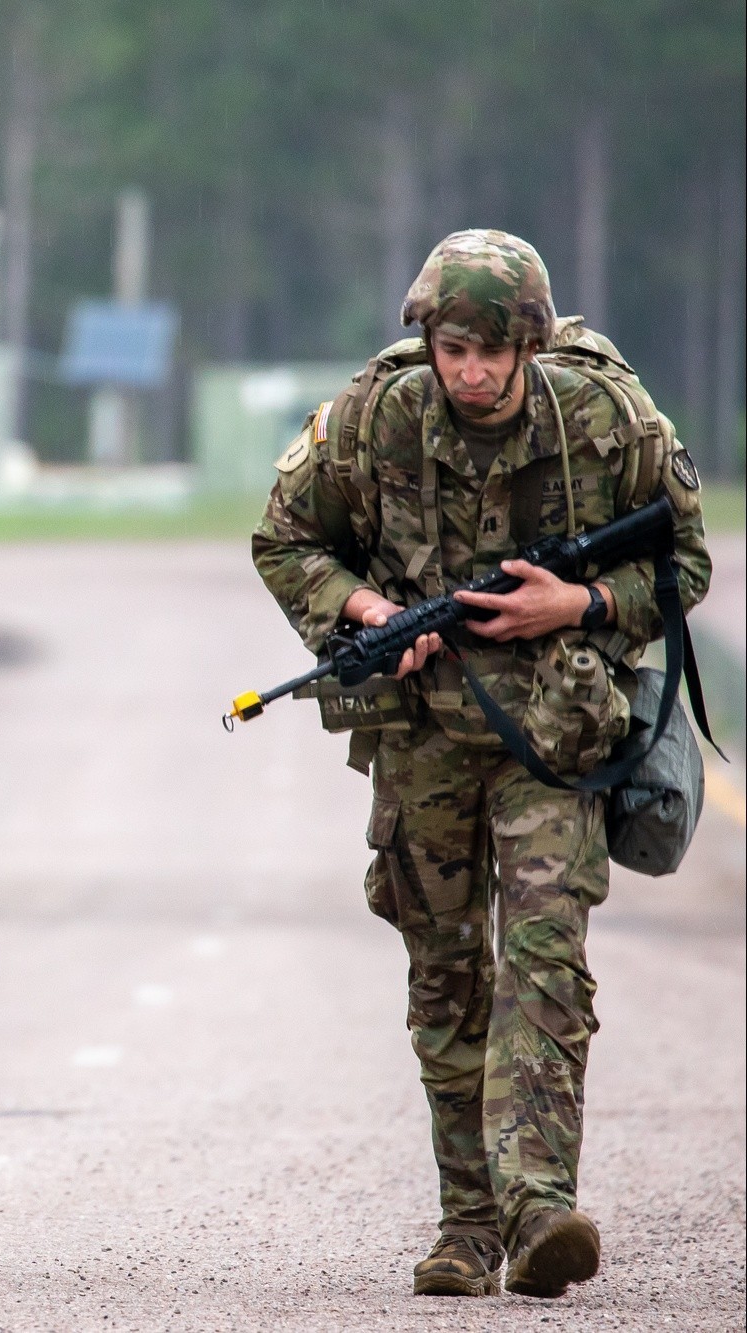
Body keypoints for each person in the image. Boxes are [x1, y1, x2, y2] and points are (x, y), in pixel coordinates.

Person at [253, 229, 709, 1300]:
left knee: (543, 960)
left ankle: (540, 1203)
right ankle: (465, 1224)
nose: (468, 370)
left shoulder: (605, 422)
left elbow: (682, 561)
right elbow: (284, 543)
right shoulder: (371, 419)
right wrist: (362, 609)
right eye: (452, 346)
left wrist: (582, 602)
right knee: (445, 982)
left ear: (529, 347)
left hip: (553, 736)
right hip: (418, 742)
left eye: (490, 350)